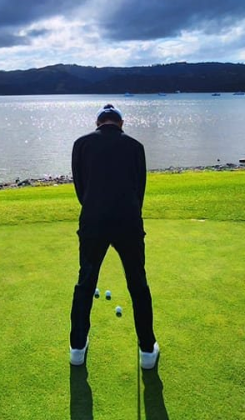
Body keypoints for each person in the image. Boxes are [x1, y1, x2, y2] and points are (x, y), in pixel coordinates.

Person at [69, 103, 159, 369]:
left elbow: (80, 187)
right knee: (138, 284)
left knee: (85, 283)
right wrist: (129, 211)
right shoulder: (135, 146)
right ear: (121, 123)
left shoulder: (81, 144)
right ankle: (147, 351)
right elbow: (139, 188)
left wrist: (94, 207)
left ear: (98, 123)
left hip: (92, 221)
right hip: (128, 221)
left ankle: (77, 348)